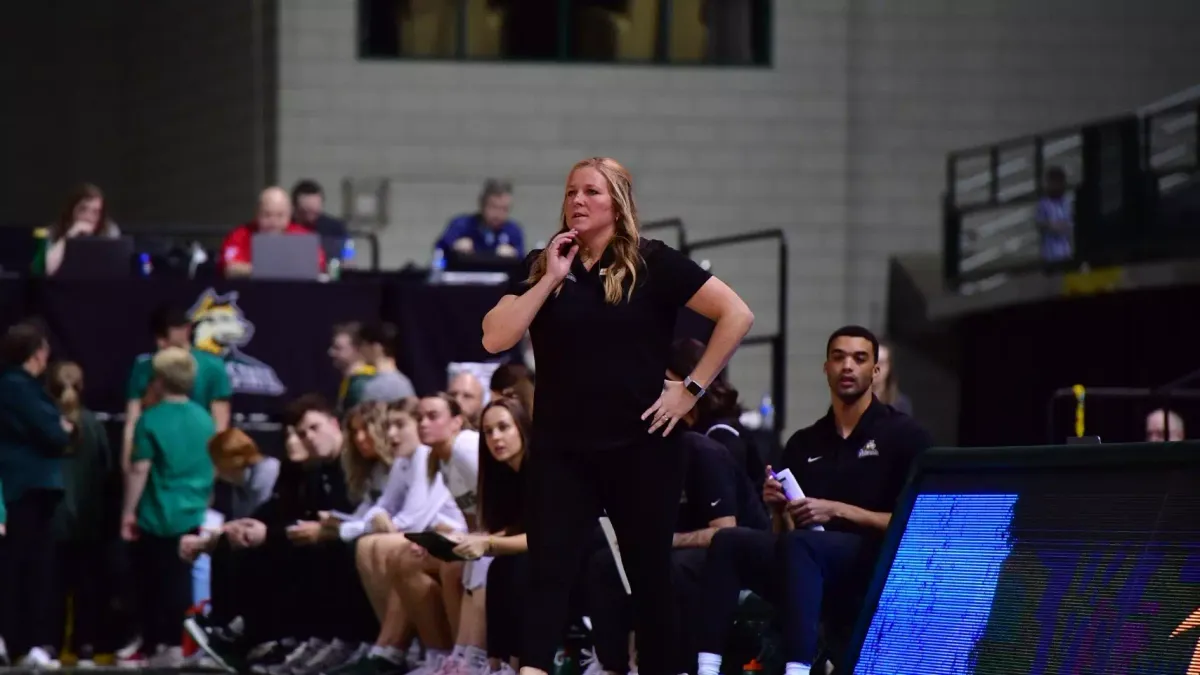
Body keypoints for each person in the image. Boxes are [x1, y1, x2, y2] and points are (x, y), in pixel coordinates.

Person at [480, 157, 754, 675]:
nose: (577, 201)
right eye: (571, 192)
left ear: (618, 203)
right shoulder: (545, 263)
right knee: (547, 574)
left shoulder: (653, 262)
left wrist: (691, 390)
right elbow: (495, 337)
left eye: (591, 192)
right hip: (562, 449)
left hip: (641, 446)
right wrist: (550, 279)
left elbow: (737, 314)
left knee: (648, 579)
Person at [692, 326, 934, 675]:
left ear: (876, 370)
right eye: (838, 357)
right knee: (728, 540)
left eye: (859, 359)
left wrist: (838, 510)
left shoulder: (905, 436)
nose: (847, 366)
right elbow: (783, 535)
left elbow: (918, 522)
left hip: (873, 559)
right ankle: (706, 667)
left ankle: (798, 669)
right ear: (826, 368)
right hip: (807, 558)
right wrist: (778, 508)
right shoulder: (804, 442)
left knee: (804, 544)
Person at [121, 347, 216, 667]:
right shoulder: (204, 419)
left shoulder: (150, 419)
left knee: (152, 581)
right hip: (193, 512)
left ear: (160, 380)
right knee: (181, 579)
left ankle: (155, 643)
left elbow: (139, 469)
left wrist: (128, 512)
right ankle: (178, 643)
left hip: (157, 513)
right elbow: (211, 465)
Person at [0, 321, 73, 668]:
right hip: (26, 487)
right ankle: (26, 643)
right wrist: (61, 427)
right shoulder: (20, 387)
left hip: (19, 486)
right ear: (37, 354)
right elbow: (53, 433)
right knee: (28, 567)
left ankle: (16, 641)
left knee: (18, 565)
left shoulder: (13, 386)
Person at [47, 362, 113, 667]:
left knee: (52, 586)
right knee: (87, 584)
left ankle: (49, 644)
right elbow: (107, 470)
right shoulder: (93, 425)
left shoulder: (43, 424)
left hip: (52, 519)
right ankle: (85, 644)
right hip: (88, 519)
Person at [123, 305, 232, 472]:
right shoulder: (143, 366)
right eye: (158, 336)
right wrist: (126, 463)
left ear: (186, 329)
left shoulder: (212, 367)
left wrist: (214, 467)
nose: (161, 342)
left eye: (166, 335)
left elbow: (220, 424)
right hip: (153, 456)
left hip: (198, 457)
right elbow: (132, 421)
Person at [43, 183, 122, 277]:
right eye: (83, 209)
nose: (88, 217)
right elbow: (46, 270)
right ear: (71, 210)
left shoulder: (109, 230)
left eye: (95, 212)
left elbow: (116, 271)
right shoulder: (53, 231)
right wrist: (68, 236)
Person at [436, 179, 524, 258]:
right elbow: (439, 251)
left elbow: (523, 261)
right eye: (494, 207)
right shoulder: (462, 225)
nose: (498, 214)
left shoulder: (513, 231)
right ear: (482, 205)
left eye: (504, 209)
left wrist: (514, 255)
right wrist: (454, 247)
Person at [359, 322, 417, 404]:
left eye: (363, 345)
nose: (360, 351)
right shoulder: (403, 381)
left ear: (376, 347)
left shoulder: (378, 386)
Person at [873, 339, 912, 416]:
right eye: (873, 362)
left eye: (881, 363)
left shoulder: (900, 404)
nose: (877, 368)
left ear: (889, 367)